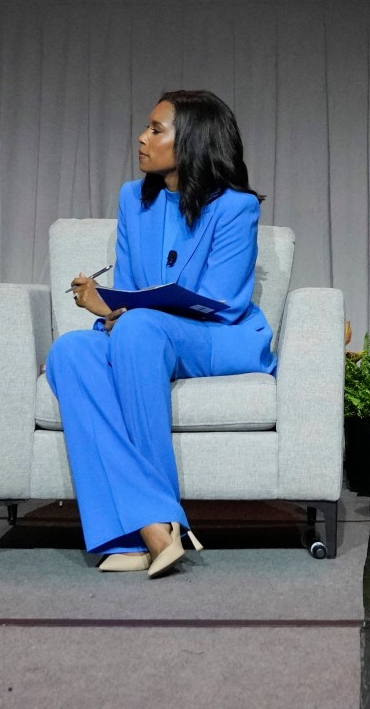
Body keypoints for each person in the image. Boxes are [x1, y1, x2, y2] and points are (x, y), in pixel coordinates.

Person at [46, 90, 274, 578]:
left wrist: (131, 310)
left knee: (140, 329)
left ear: (190, 141)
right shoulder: (134, 200)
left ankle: (149, 521)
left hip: (220, 337)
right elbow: (129, 290)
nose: (142, 137)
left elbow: (224, 300)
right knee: (70, 352)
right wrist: (104, 304)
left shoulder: (235, 208)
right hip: (145, 333)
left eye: (155, 129)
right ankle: (146, 528)